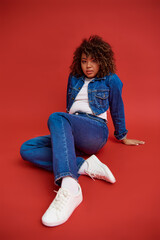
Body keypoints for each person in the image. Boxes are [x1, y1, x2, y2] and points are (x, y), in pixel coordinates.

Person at [20, 35, 145, 227]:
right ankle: (84, 166)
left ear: (102, 60)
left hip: (95, 131)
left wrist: (123, 136)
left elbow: (117, 108)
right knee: (27, 148)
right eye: (84, 60)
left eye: (93, 61)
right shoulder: (74, 78)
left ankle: (70, 186)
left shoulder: (111, 80)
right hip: (73, 128)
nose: (88, 65)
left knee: (56, 117)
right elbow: (71, 107)